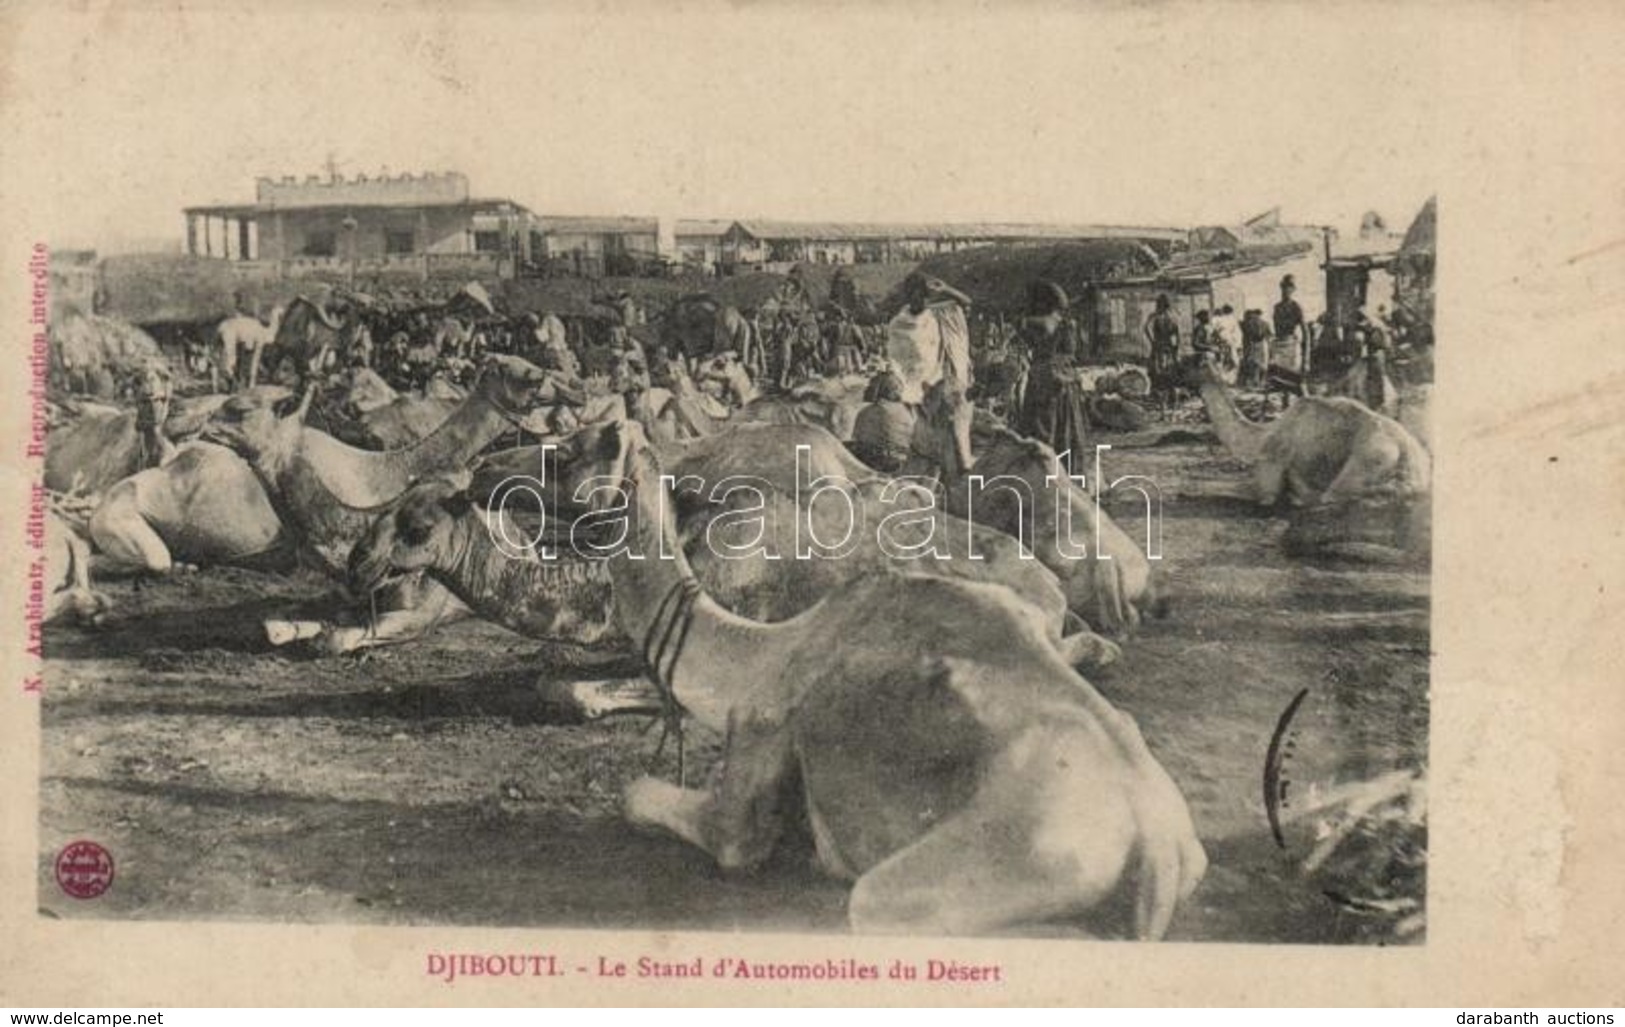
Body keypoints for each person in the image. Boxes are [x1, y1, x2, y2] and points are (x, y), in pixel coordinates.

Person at [1016, 280, 1091, 457]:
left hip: (1041, 378)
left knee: (1041, 427)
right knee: (1064, 428)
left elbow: (1025, 336)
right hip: (1060, 379)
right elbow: (1071, 353)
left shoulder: (1031, 323)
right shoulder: (1065, 324)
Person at [886, 271, 973, 403]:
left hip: (935, 383)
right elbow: (894, 356)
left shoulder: (937, 315)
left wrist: (946, 289)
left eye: (922, 296)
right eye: (913, 296)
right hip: (909, 384)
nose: (919, 301)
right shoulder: (899, 322)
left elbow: (966, 302)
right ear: (908, 298)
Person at [849, 370, 917, 473]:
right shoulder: (907, 410)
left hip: (880, 463)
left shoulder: (870, 412)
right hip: (902, 462)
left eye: (871, 386)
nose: (867, 389)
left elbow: (858, 438)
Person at [1143, 293, 1182, 412]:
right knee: (1171, 378)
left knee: (1158, 377)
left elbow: (1145, 328)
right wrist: (1176, 349)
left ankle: (1163, 409)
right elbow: (1177, 335)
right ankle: (1174, 408)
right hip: (1169, 349)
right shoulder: (1173, 317)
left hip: (1158, 349)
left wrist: (1152, 341)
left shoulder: (1154, 316)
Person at [1272, 274, 1309, 372]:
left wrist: (1306, 360)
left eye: (1290, 287)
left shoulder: (1296, 307)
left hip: (1291, 346)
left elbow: (1306, 333)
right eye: (1285, 287)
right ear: (1281, 287)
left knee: (1292, 377)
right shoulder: (1277, 307)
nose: (1287, 290)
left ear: (1293, 290)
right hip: (1278, 346)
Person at [1239, 308, 1272, 389]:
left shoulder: (1249, 323)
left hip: (1254, 344)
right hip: (1261, 344)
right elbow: (1269, 336)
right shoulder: (1265, 323)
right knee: (1261, 364)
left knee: (1255, 364)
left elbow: (1247, 334)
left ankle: (1257, 382)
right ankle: (1260, 382)